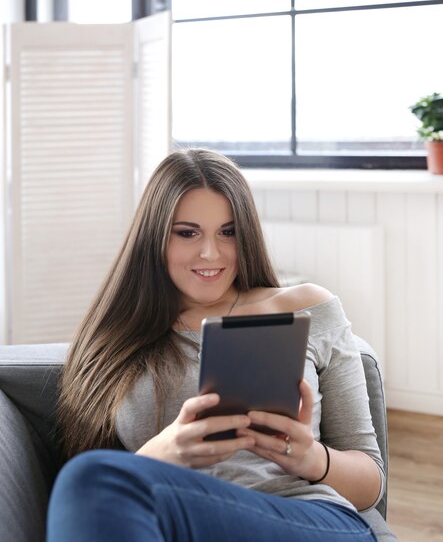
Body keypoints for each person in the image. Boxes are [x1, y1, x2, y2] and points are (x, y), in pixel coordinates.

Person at [47, 148, 385, 542]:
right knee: (89, 478)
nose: (211, 253)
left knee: (91, 479)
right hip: (182, 523)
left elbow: (371, 483)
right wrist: (164, 452)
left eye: (228, 232)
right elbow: (100, 498)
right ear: (154, 237)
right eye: (187, 233)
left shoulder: (309, 307)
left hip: (308, 518)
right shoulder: (116, 338)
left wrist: (312, 458)